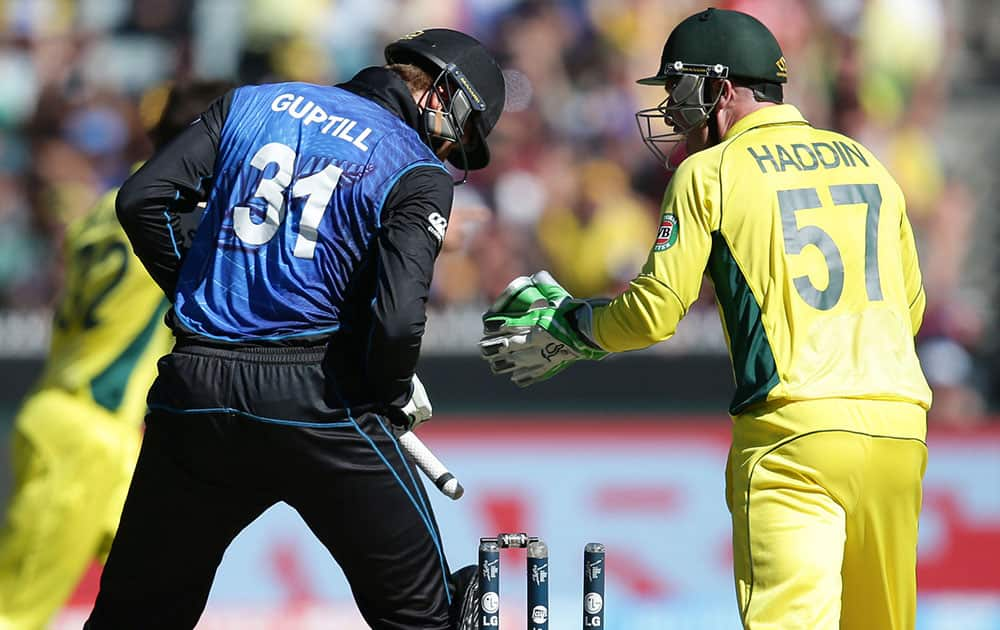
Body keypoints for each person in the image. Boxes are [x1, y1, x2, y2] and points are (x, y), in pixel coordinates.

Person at [480, 9, 929, 630]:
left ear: (720, 89)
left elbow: (653, 314)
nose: (671, 115)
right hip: (899, 428)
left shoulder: (709, 172)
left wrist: (575, 327)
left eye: (678, 92)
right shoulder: (868, 163)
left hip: (791, 437)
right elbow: (911, 308)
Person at [85, 28, 506, 630]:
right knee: (429, 617)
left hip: (196, 389)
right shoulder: (414, 170)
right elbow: (393, 324)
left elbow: (142, 200)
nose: (448, 155)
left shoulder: (251, 102)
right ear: (441, 94)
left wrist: (213, 293)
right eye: (458, 135)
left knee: (135, 617)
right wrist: (385, 389)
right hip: (318, 399)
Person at [0, 81, 231, 630]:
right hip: (88, 435)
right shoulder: (182, 213)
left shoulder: (112, 201)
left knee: (162, 597)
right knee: (15, 614)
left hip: (83, 426)